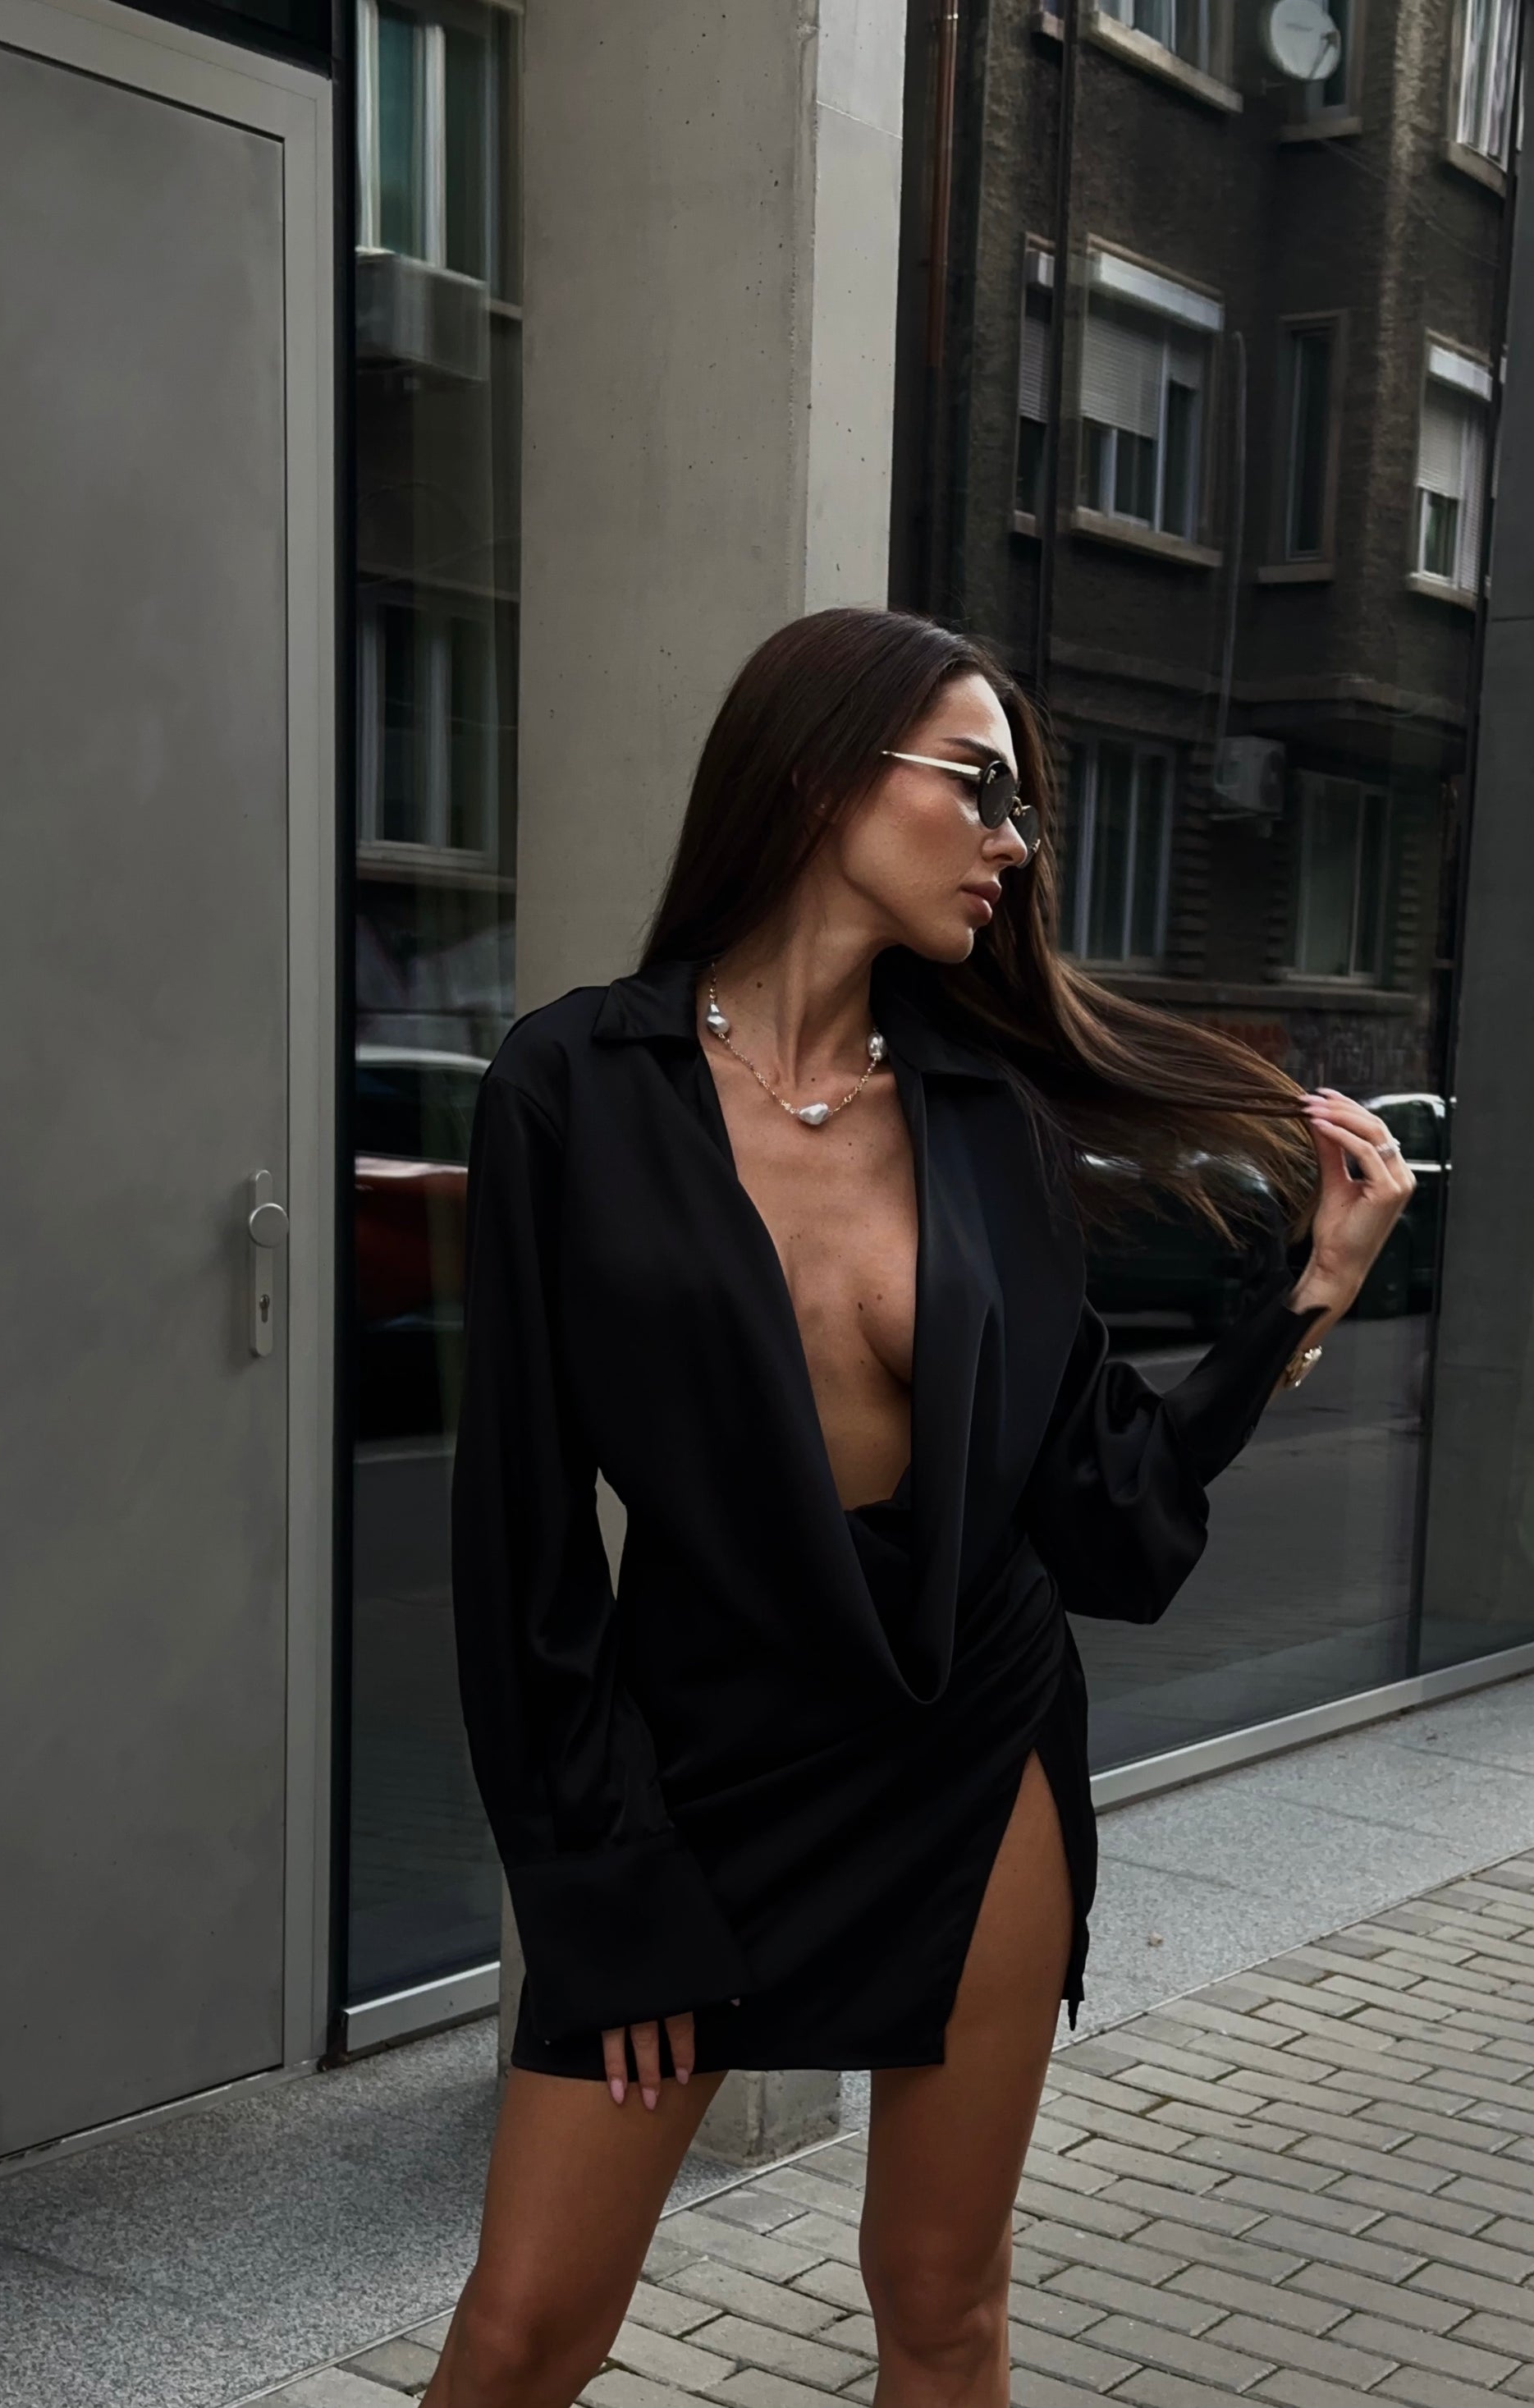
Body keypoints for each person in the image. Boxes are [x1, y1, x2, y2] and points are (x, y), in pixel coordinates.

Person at [430, 608, 1414, 2407]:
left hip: (972, 1746)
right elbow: (518, 1553)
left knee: (940, 2306)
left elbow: (1108, 1524)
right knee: (521, 2335)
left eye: (1019, 807)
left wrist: (1305, 1300)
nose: (1013, 842)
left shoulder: (985, 1119)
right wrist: (594, 1890)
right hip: (696, 1764)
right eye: (976, 788)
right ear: (817, 774)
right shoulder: (571, 1091)